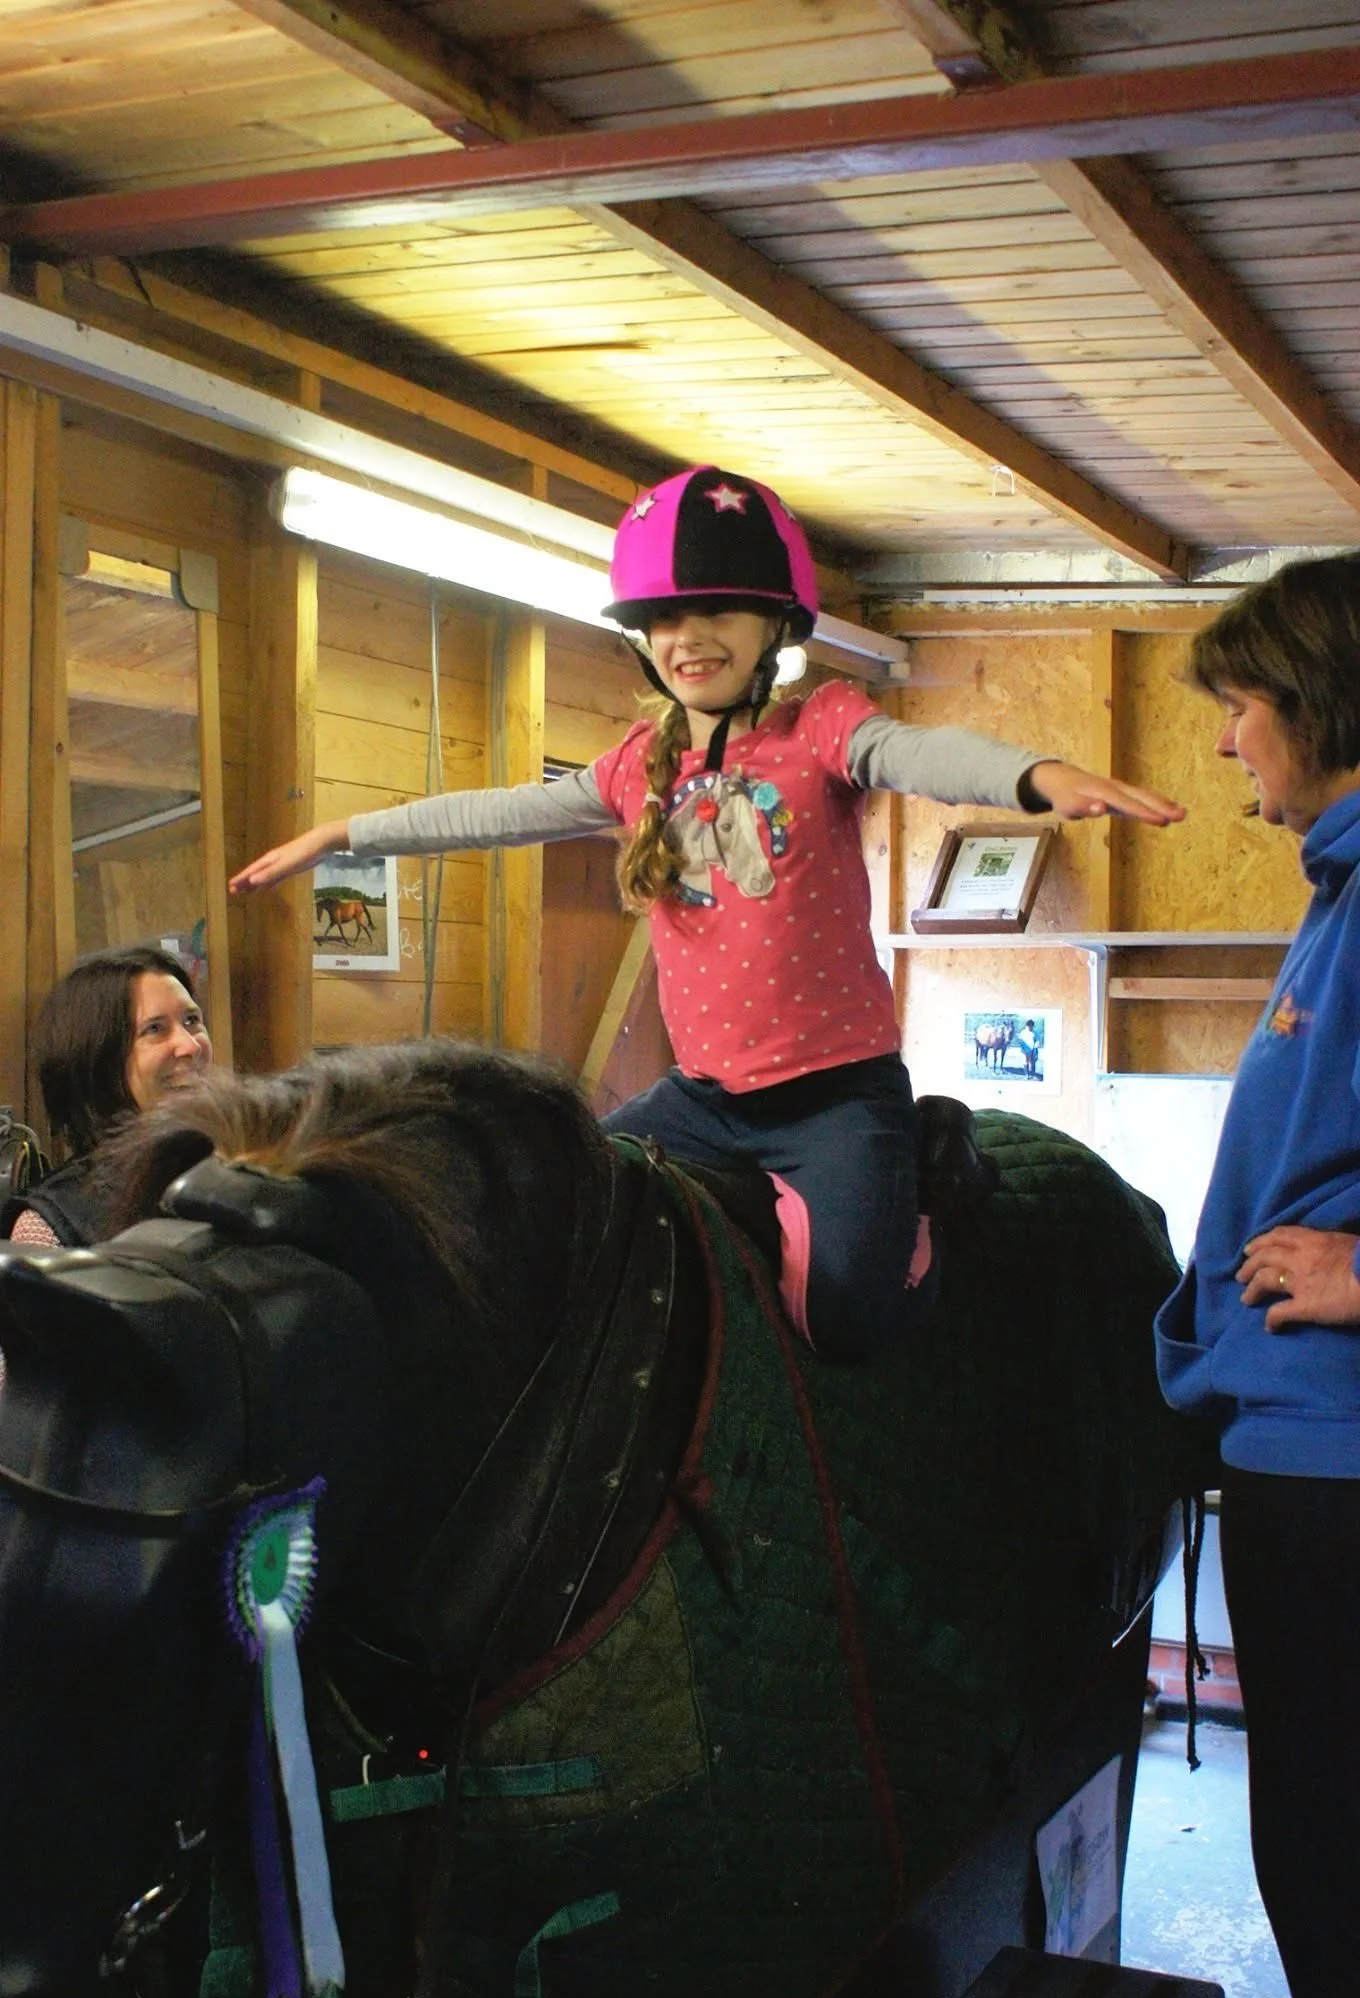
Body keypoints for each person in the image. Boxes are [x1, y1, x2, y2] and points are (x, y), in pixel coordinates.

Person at [231, 465, 1182, 1358]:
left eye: (719, 611)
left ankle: (921, 1204)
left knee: (848, 1319)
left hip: (833, 1101)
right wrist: (344, 834)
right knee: (575, 1219)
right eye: (666, 618)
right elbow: (498, 811)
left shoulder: (821, 729)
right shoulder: (634, 769)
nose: (690, 637)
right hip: (702, 1100)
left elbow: (916, 753)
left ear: (774, 625)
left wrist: (1031, 777)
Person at [1154, 551, 1360, 1998]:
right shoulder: (1341, 891)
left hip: (1340, 1457)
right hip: (1294, 1438)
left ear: (1319, 699)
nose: (1230, 740)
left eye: (1239, 703)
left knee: (1333, 1847)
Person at [2, 944, 213, 1247]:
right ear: (98, 1062)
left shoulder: (248, 1172)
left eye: (192, 1021)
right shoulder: (52, 1228)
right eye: (155, 1029)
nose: (191, 1046)